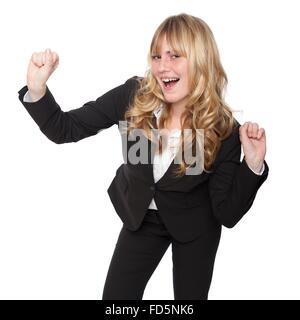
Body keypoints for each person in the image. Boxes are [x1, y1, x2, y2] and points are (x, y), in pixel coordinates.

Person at [18, 13, 269, 300]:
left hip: (195, 223)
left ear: (201, 61)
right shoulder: (134, 97)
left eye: (175, 55)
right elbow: (65, 129)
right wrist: (37, 89)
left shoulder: (222, 128)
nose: (163, 67)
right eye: (156, 56)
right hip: (142, 216)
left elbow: (228, 213)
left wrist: (252, 164)